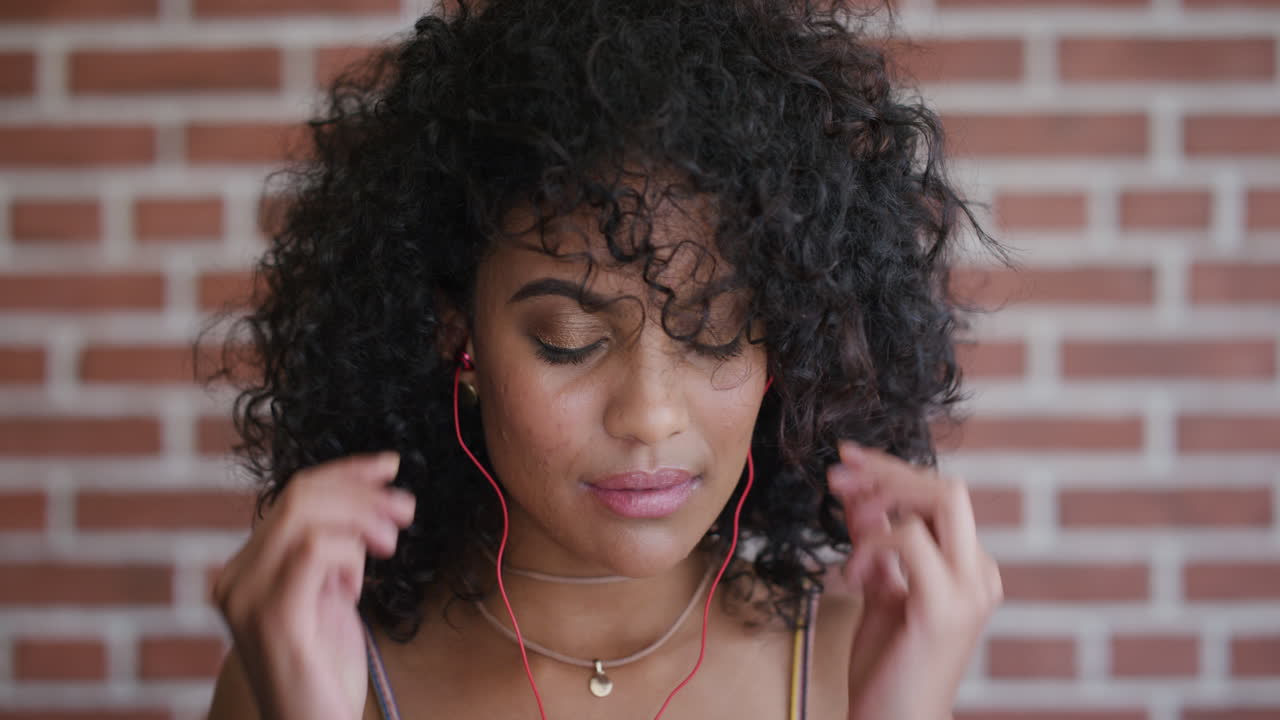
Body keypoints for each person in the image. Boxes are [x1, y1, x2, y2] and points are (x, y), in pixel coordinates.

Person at [202, 0, 1008, 718]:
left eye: (717, 329)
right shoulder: (312, 668)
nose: (650, 413)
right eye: (569, 340)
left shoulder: (859, 662)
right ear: (459, 334)